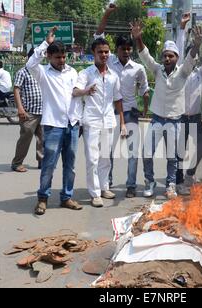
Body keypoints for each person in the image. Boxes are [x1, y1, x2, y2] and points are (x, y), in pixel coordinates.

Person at [130, 20, 202, 199]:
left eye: (171, 55)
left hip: (174, 121)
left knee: (172, 157)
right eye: (165, 56)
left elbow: (190, 59)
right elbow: (146, 56)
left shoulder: (183, 72)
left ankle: (170, 185)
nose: (167, 58)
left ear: (177, 57)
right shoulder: (157, 70)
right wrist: (138, 38)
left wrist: (196, 45)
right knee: (147, 153)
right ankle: (150, 181)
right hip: (156, 119)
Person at [94, 4, 150, 198]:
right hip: (109, 113)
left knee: (132, 154)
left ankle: (131, 186)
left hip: (131, 113)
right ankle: (106, 184)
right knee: (107, 152)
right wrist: (107, 13)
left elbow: (144, 88)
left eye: (128, 48)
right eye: (122, 48)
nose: (126, 51)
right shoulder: (108, 62)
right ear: (116, 50)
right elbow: (98, 36)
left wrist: (145, 108)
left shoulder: (138, 68)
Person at [27, 27, 83, 215]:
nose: (61, 60)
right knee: (49, 164)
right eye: (57, 57)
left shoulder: (72, 72)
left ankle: (66, 197)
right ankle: (43, 198)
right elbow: (30, 63)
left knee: (70, 165)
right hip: (53, 126)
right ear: (49, 57)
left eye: (63, 57)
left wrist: (78, 121)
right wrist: (46, 43)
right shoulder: (42, 73)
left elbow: (75, 96)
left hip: (72, 124)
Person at [73, 38, 125, 208]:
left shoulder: (113, 76)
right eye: (100, 52)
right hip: (92, 121)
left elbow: (118, 100)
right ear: (93, 53)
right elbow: (75, 92)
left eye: (106, 52)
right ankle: (95, 193)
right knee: (92, 159)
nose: (104, 55)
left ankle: (104, 188)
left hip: (109, 120)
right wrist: (86, 91)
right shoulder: (86, 74)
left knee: (105, 158)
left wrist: (122, 123)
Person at [174, 15, 202, 195]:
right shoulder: (179, 72)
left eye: (196, 57)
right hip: (181, 119)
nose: (194, 59)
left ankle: (190, 175)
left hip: (196, 119)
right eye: (191, 56)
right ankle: (177, 181)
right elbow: (178, 49)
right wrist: (182, 28)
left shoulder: (201, 73)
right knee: (179, 152)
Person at [11, 48, 43, 173]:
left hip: (43, 111)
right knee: (25, 138)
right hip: (28, 112)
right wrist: (20, 108)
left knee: (43, 138)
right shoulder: (22, 72)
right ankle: (17, 163)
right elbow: (16, 89)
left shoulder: (41, 71)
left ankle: (42, 160)